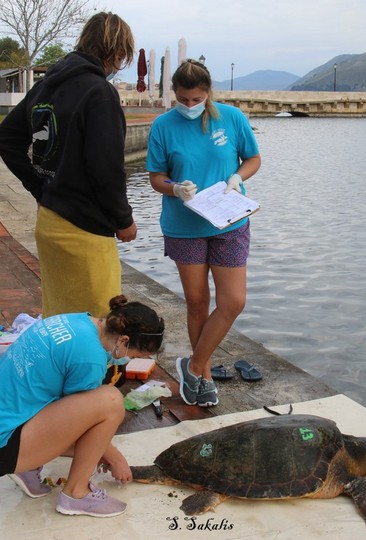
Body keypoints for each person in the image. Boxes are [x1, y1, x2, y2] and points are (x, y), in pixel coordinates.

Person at [0, 12, 137, 318]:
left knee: (58, 318)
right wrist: (123, 220)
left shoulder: (47, 86)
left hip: (50, 221)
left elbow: (5, 137)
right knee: (99, 322)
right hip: (86, 229)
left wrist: (40, 187)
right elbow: (107, 169)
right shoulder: (100, 93)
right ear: (118, 52)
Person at [0, 295, 164, 517]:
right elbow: (83, 424)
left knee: (94, 434)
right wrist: (115, 457)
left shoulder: (77, 321)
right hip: (2, 447)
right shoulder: (90, 358)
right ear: (123, 341)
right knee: (111, 402)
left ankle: (28, 467)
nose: (129, 360)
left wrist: (102, 451)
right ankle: (76, 494)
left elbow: (66, 413)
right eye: (136, 355)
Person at [146, 59, 261, 408]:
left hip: (229, 221)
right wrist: (175, 188)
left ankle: (192, 365)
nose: (190, 106)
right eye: (183, 99)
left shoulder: (232, 118)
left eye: (196, 99)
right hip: (185, 226)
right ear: (174, 94)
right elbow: (156, 177)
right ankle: (205, 375)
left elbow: (252, 159)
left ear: (208, 93)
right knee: (197, 302)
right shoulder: (163, 126)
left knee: (233, 301)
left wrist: (238, 177)